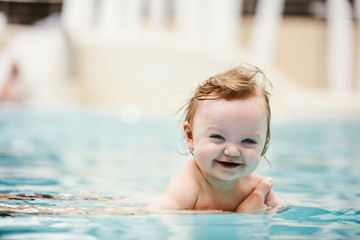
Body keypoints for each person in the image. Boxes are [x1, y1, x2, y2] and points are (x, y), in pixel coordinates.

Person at [149, 64, 283, 213]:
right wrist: (244, 215)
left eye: (248, 141)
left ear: (265, 142)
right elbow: (156, 215)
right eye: (217, 137)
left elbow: (283, 215)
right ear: (190, 136)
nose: (232, 151)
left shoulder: (256, 188)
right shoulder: (188, 186)